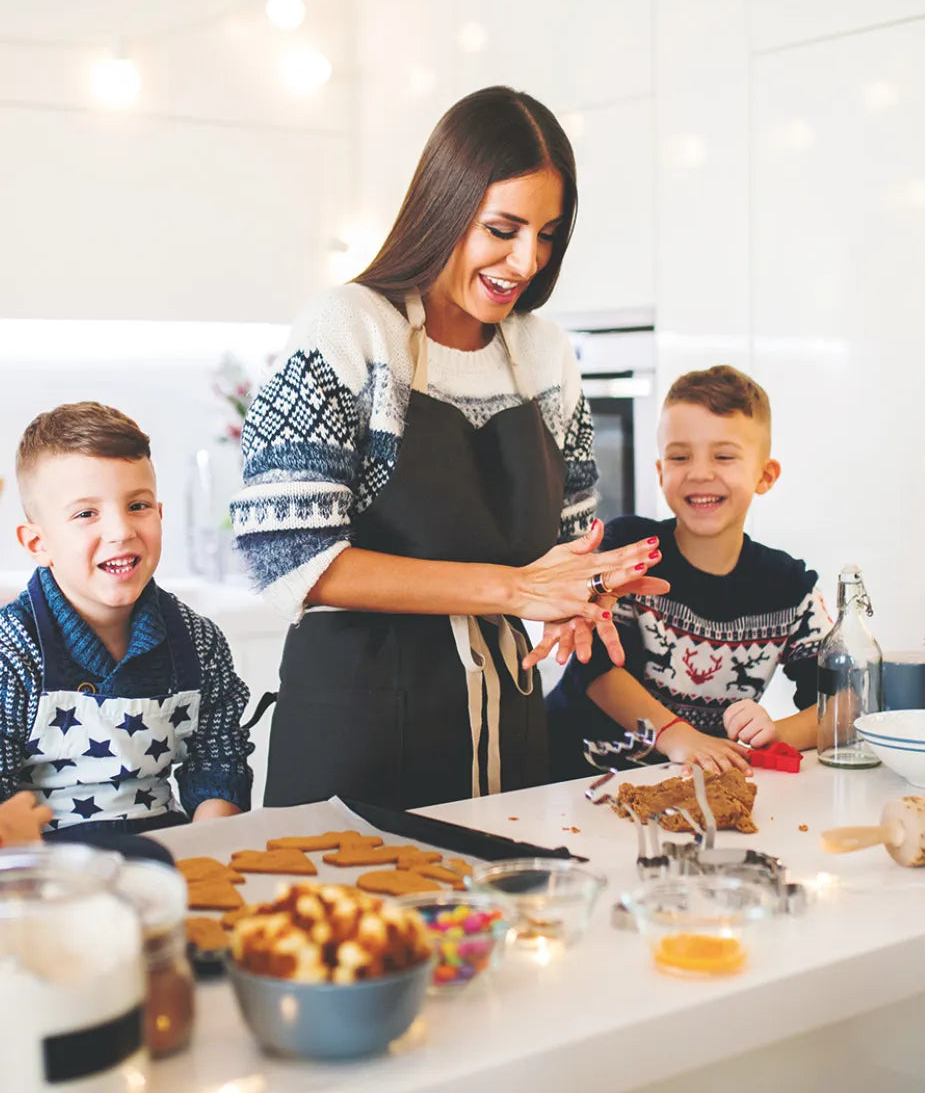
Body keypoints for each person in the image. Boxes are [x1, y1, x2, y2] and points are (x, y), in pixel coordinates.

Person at [231, 85, 665, 811]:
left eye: (548, 234)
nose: (527, 261)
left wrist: (585, 591)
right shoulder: (349, 328)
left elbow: (566, 546)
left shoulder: (544, 352)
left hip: (509, 734)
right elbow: (288, 556)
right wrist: (514, 588)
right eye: (504, 228)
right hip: (358, 733)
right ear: (445, 204)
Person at [546, 365, 832, 778]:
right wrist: (680, 736)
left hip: (684, 783)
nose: (699, 472)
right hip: (570, 777)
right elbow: (597, 672)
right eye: (680, 456)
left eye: (724, 456)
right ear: (661, 473)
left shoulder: (789, 588)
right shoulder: (628, 548)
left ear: (765, 476)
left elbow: (845, 699)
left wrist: (776, 733)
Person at [0, 402, 253, 840]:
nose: (121, 530)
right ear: (38, 543)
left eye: (137, 505)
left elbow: (217, 763)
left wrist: (206, 848)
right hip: (41, 874)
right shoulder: (11, 650)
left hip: (168, 854)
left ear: (160, 514)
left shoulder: (198, 642)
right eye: (86, 514)